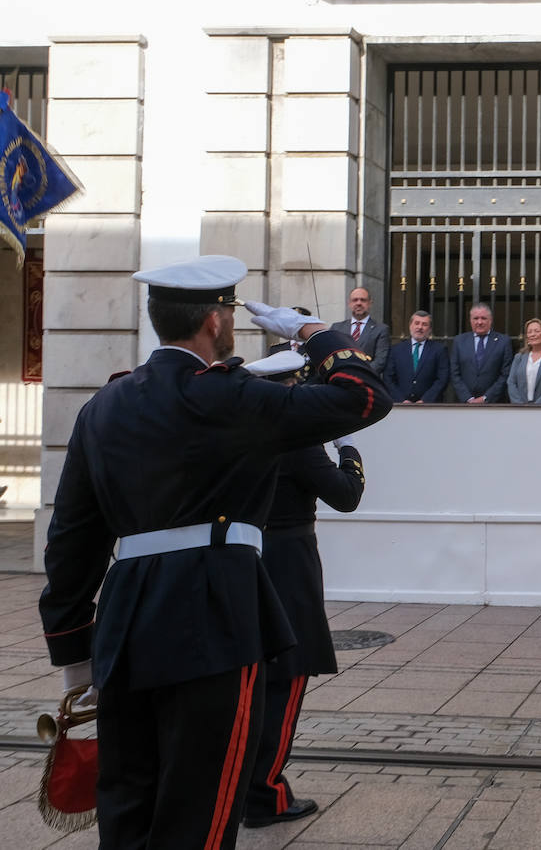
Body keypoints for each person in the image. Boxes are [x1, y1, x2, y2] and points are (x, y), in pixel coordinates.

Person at [37, 256, 391, 848]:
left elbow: (72, 538)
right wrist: (309, 331)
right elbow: (366, 395)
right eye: (229, 312)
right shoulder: (234, 397)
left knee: (128, 805)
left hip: (124, 620)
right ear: (214, 322)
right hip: (215, 613)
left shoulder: (104, 406)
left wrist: (75, 652)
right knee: (200, 808)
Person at [241, 352, 365, 829]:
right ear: (292, 387)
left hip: (243, 557)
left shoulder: (239, 431)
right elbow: (346, 496)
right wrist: (348, 451)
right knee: (287, 678)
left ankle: (238, 785)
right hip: (288, 561)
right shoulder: (296, 438)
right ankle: (264, 794)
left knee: (249, 679)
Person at [450, 302, 514, 403]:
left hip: (494, 403)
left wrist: (485, 398)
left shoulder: (503, 341)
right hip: (464, 403)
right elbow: (454, 373)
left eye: (483, 318)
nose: (479, 322)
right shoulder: (459, 341)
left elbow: (506, 374)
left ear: (490, 320)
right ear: (470, 320)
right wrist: (468, 398)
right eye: (475, 318)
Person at [384, 309, 450, 403]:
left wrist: (425, 400)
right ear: (410, 326)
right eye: (417, 323)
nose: (420, 327)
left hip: (429, 406)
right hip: (401, 405)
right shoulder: (396, 350)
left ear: (430, 329)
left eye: (424, 324)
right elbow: (388, 378)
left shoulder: (439, 350)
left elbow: (442, 379)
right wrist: (401, 400)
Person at [329, 287, 390, 374]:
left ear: (370, 303)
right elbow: (329, 356)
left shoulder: (381, 329)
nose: (359, 303)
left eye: (363, 300)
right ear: (349, 303)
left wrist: (359, 376)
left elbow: (380, 361)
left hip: (366, 379)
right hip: (339, 378)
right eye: (355, 300)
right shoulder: (337, 328)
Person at [508, 318, 541, 404]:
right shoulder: (519, 358)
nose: (533, 334)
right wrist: (520, 405)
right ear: (527, 337)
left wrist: (536, 407)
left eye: (537, 331)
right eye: (529, 332)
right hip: (520, 408)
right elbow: (511, 383)